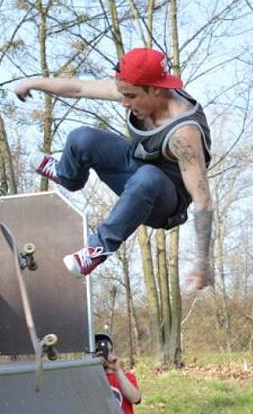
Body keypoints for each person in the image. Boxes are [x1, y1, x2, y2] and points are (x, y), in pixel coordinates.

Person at [14, 47, 213, 291]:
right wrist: (33, 82)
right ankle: (67, 175)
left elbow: (202, 199)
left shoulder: (184, 133)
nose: (123, 103)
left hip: (164, 201)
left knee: (147, 178)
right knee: (82, 138)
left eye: (130, 96)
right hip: (136, 167)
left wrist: (203, 262)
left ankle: (98, 249)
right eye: (121, 94)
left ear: (156, 89)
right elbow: (79, 88)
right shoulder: (135, 87)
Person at [94, 333, 141, 414]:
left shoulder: (125, 377)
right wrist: (93, 366)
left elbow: (135, 398)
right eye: (100, 352)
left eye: (109, 351)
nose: (106, 355)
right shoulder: (89, 380)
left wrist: (117, 370)